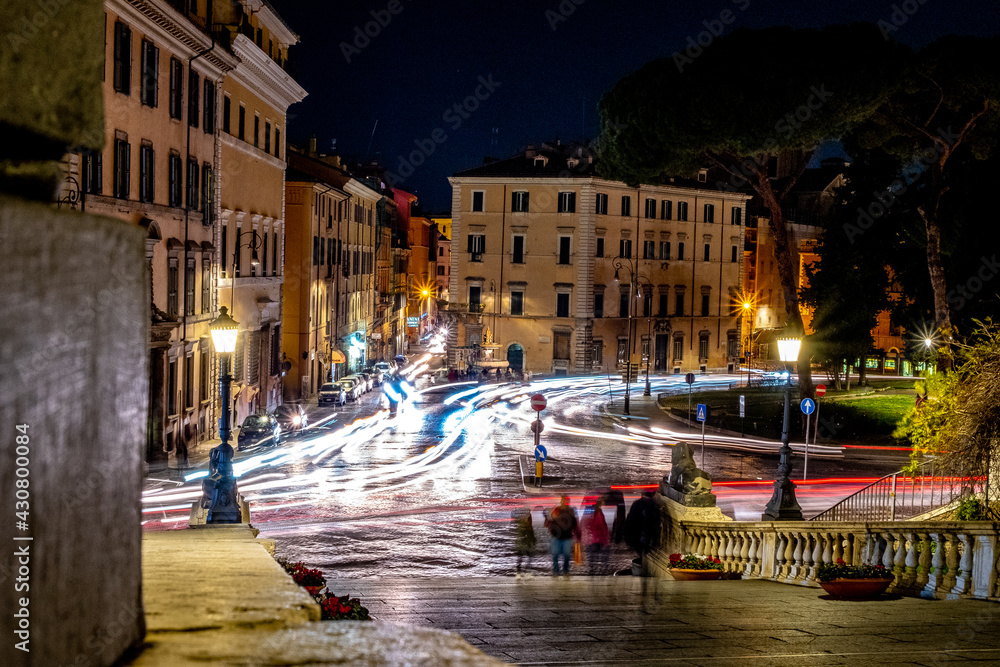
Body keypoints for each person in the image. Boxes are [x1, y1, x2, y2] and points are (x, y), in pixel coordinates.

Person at [624, 492, 662, 575]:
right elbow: (653, 524)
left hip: (639, 535)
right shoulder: (652, 505)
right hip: (643, 536)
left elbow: (630, 520)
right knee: (644, 554)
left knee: (643, 555)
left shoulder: (638, 504)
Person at [544, 495, 580, 575]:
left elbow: (575, 523)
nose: (563, 502)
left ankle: (565, 571)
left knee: (566, 555)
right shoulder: (557, 510)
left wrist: (577, 535)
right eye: (562, 500)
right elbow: (550, 519)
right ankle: (557, 571)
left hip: (566, 536)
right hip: (556, 536)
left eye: (565, 501)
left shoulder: (570, 511)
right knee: (555, 555)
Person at [581, 499, 611, 575]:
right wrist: (606, 539)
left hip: (592, 540)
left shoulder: (590, 511)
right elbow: (602, 527)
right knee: (597, 558)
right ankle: (598, 572)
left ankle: (593, 572)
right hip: (596, 539)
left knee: (592, 559)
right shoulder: (597, 512)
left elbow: (583, 524)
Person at [512, 507, 537, 577]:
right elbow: (530, 528)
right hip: (525, 541)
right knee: (526, 557)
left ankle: (520, 573)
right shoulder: (524, 519)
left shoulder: (521, 519)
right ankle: (524, 572)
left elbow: (529, 528)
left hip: (524, 541)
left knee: (522, 557)